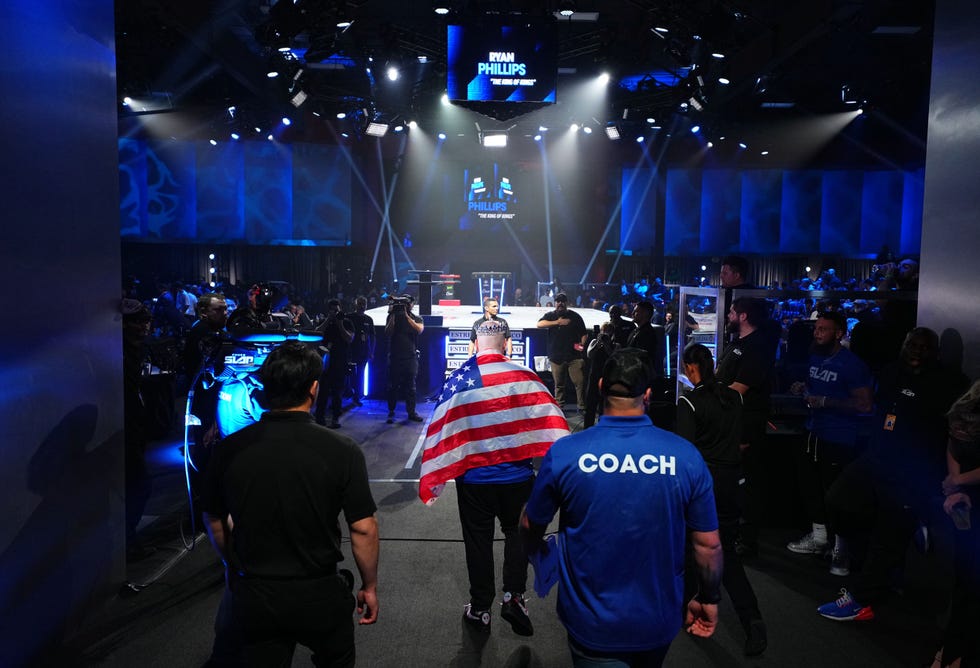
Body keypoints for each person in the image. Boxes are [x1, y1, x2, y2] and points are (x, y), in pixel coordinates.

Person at [521, 348, 722, 667]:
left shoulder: (566, 453)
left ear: (600, 386)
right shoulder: (685, 457)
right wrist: (709, 597)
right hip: (656, 619)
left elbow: (531, 525)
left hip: (592, 623)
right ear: (648, 395)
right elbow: (707, 544)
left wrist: (540, 554)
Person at [201, 340, 379, 666]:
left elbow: (214, 518)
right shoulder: (342, 449)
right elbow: (363, 529)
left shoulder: (229, 450)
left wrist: (232, 567)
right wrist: (369, 585)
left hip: (256, 593)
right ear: (313, 388)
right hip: (319, 591)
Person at [419, 320, 569, 636]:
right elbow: (555, 426)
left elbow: (441, 430)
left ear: (474, 343)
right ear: (508, 343)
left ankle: (480, 608)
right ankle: (514, 596)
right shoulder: (526, 378)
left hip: (474, 481)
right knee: (517, 534)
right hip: (518, 477)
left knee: (478, 541)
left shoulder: (458, 382)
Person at [818, 328, 967, 621]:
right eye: (912, 344)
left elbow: (955, 434)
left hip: (911, 471)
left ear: (935, 352)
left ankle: (863, 600)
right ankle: (889, 560)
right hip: (876, 458)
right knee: (838, 501)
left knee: (887, 535)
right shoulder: (890, 372)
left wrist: (951, 477)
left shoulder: (949, 384)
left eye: (925, 347)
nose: (917, 351)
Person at [677, 343, 767, 656]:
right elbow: (743, 438)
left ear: (691, 367)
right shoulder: (734, 397)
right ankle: (752, 621)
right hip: (732, 483)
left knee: (692, 549)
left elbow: (685, 453)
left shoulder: (689, 402)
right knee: (726, 555)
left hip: (704, 486)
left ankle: (685, 611)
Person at [786, 311, 873, 576]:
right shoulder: (816, 357)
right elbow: (817, 387)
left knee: (835, 495)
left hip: (839, 437)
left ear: (839, 333)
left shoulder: (852, 365)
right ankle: (820, 538)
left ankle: (841, 549)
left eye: (824, 329)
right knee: (811, 488)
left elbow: (864, 404)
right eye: (817, 329)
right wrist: (804, 388)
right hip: (814, 431)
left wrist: (826, 402)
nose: (817, 333)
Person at [715, 296, 777, 558]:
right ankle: (729, 531)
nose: (728, 314)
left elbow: (740, 388)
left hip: (746, 424)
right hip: (730, 421)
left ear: (743, 316)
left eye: (731, 311)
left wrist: (708, 397)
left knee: (746, 482)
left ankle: (747, 538)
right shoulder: (737, 343)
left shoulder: (758, 348)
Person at [934, 380, 980, 668]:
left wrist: (958, 482)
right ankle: (952, 654)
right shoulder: (965, 406)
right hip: (970, 504)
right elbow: (953, 446)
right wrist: (956, 486)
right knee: (966, 589)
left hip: (968, 497)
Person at [536, 293, 587, 413]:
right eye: (558, 301)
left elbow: (584, 333)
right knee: (559, 385)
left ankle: (582, 407)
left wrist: (582, 345)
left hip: (574, 357)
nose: (560, 303)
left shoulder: (575, 316)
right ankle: (559, 408)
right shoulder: (551, 315)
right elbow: (539, 324)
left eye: (562, 301)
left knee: (580, 382)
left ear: (566, 303)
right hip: (556, 356)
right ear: (555, 303)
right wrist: (557, 322)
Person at [384, 294, 424, 423]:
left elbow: (419, 330)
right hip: (395, 356)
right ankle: (391, 411)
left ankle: (411, 412)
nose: (404, 306)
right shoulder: (392, 316)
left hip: (410, 357)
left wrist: (406, 316)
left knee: (410, 387)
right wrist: (394, 315)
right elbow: (388, 333)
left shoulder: (416, 318)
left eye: (406, 304)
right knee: (392, 386)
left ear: (411, 305)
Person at [315, 298, 354, 429]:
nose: (335, 312)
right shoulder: (325, 321)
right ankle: (319, 417)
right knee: (323, 390)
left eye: (337, 310)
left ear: (340, 309)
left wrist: (340, 323)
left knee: (338, 391)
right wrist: (328, 320)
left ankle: (335, 417)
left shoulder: (346, 322)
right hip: (325, 360)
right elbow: (316, 333)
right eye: (332, 310)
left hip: (340, 360)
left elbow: (349, 338)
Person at [346, 296, 375, 406]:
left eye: (364, 304)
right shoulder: (349, 317)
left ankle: (356, 396)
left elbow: (373, 336)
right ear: (356, 304)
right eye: (360, 303)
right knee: (349, 374)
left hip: (364, 352)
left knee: (360, 375)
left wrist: (372, 351)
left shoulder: (369, 319)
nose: (362, 306)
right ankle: (348, 393)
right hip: (350, 351)